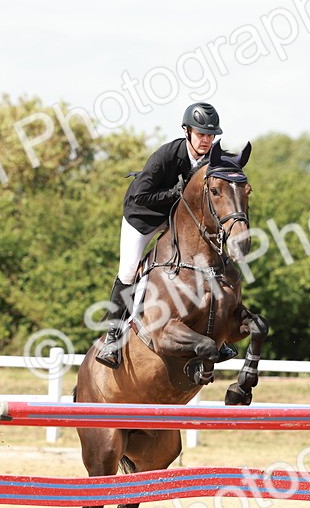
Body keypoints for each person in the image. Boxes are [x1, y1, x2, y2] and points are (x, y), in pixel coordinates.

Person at [95, 102, 223, 368]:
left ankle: (219, 332)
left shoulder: (211, 160)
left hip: (173, 219)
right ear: (187, 131)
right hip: (141, 217)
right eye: (201, 134)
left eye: (211, 135)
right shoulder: (165, 155)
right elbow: (142, 195)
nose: (206, 140)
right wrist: (173, 193)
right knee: (129, 269)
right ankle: (112, 336)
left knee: (203, 262)